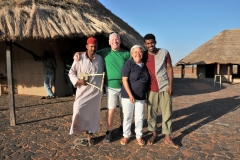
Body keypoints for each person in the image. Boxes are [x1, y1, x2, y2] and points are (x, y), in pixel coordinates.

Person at [143, 33, 179, 148]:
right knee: (151, 113)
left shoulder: (164, 52)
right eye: (148, 43)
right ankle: (154, 134)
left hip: (164, 87)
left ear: (155, 42)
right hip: (151, 89)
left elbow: (169, 68)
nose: (150, 45)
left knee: (167, 112)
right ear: (145, 44)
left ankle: (168, 137)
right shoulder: (143, 55)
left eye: (152, 43)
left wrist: (171, 86)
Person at [68, 37, 104, 146]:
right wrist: (78, 81)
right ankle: (79, 129)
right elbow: (71, 73)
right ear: (87, 46)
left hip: (95, 93)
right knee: (78, 110)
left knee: (92, 115)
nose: (93, 48)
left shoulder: (100, 59)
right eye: (91, 46)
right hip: (82, 92)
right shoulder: (79, 58)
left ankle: (89, 136)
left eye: (95, 46)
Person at [97, 32, 131, 143]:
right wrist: (78, 53)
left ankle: (122, 127)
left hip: (124, 87)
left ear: (120, 41)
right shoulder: (105, 52)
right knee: (111, 110)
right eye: (113, 40)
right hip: (111, 87)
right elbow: (90, 53)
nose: (115, 41)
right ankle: (109, 130)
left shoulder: (125, 53)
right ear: (109, 42)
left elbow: (136, 58)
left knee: (123, 109)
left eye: (117, 39)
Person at [120, 45, 149, 146]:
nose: (138, 54)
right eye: (135, 52)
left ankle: (139, 136)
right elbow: (124, 80)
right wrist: (130, 94)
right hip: (128, 96)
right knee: (127, 116)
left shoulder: (144, 65)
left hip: (141, 96)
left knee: (139, 117)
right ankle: (126, 135)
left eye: (140, 52)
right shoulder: (128, 64)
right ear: (132, 54)